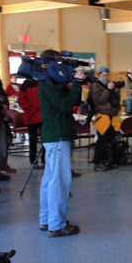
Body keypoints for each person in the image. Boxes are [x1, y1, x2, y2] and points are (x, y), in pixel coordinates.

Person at [38, 49, 85, 237]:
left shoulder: (48, 83)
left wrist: (72, 85)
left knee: (50, 180)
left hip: (54, 136)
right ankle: (56, 224)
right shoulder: (49, 85)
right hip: (57, 137)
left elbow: (65, 102)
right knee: (59, 182)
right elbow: (66, 105)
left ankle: (46, 219)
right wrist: (77, 85)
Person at [90, 65, 121, 172]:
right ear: (99, 75)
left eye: (107, 75)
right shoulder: (95, 85)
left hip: (112, 116)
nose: (106, 78)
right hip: (103, 117)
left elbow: (116, 100)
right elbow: (100, 100)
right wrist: (108, 89)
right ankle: (97, 162)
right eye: (104, 75)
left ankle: (108, 161)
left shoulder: (108, 84)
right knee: (101, 141)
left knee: (110, 140)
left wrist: (116, 91)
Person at [18, 79, 45, 169]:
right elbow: (21, 99)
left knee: (45, 139)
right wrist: (28, 109)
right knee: (32, 139)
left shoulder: (43, 82)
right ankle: (33, 160)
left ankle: (44, 159)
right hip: (31, 115)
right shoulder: (26, 84)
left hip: (42, 115)